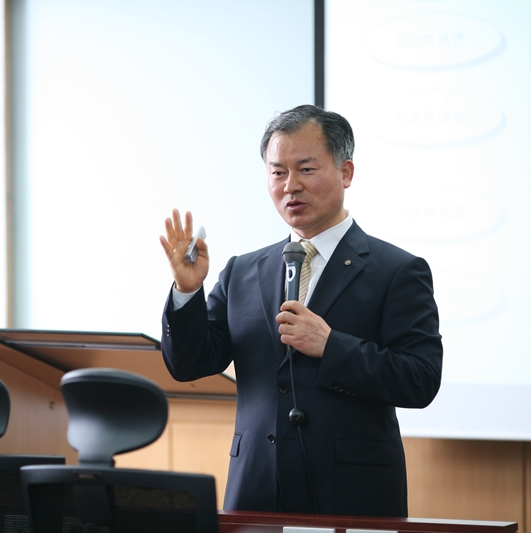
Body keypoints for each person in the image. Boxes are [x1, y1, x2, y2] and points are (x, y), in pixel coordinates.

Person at [158, 104, 442, 517]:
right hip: (257, 489)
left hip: (351, 495)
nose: (290, 186)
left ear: (346, 172)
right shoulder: (242, 271)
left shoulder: (397, 270)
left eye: (306, 169)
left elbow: (420, 380)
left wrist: (331, 346)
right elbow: (188, 364)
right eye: (278, 172)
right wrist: (187, 291)